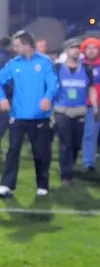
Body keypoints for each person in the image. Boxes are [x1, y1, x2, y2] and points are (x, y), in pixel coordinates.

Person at [0, 30, 59, 197]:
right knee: (13, 150)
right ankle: (6, 185)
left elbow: (53, 84)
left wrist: (48, 98)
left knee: (41, 152)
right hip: (18, 115)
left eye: (17, 46)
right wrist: (2, 98)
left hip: (40, 116)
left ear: (27, 45)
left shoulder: (44, 62)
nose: (14, 49)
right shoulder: (14, 64)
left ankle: (42, 185)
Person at [53, 37, 98, 185]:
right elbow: (51, 88)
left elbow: (91, 88)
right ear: (66, 50)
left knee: (76, 143)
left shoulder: (86, 69)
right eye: (73, 48)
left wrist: (95, 106)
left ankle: (69, 166)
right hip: (62, 110)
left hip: (80, 111)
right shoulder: (57, 68)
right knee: (65, 143)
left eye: (78, 48)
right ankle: (66, 175)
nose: (76, 51)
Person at [80, 36, 100, 173]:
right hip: (84, 104)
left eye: (95, 48)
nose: (91, 51)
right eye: (88, 48)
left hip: (96, 104)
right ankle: (87, 162)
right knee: (88, 134)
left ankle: (88, 160)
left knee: (90, 133)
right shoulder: (79, 65)